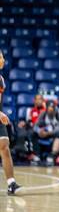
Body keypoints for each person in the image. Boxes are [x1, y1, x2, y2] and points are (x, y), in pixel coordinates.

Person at [0, 50, 21, 195]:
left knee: (4, 147)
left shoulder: (1, 79)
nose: (3, 59)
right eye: (0, 57)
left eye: (2, 57)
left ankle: (11, 183)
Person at [34, 100, 59, 165]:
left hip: (55, 133)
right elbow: (35, 126)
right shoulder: (43, 114)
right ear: (46, 108)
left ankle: (52, 155)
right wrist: (40, 131)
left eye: (52, 109)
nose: (51, 111)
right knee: (33, 133)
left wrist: (49, 133)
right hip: (46, 132)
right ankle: (37, 154)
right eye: (49, 109)